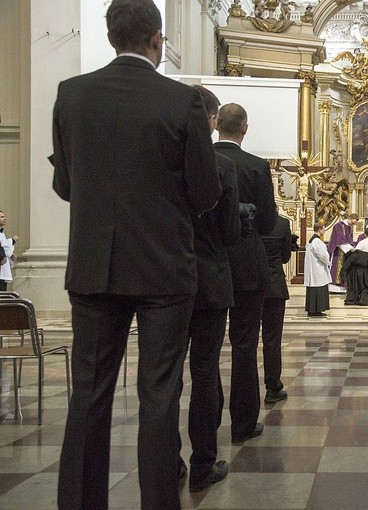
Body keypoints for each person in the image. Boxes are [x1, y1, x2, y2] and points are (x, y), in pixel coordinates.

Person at [51, 1, 221, 508]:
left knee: (88, 394)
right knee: (159, 398)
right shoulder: (181, 101)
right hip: (164, 267)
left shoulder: (71, 94)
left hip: (94, 264)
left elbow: (65, 185)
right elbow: (206, 191)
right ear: (157, 39)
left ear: (109, 38)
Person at [179, 85, 241, 493]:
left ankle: (167, 462)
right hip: (211, 279)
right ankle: (203, 463)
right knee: (204, 372)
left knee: (163, 376)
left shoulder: (165, 159)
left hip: (167, 278)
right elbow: (231, 233)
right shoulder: (221, 167)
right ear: (213, 120)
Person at [215, 102, 278, 445]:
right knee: (244, 345)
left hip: (208, 263)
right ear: (245, 128)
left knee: (204, 351)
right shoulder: (256, 166)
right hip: (247, 265)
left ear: (216, 126)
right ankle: (243, 424)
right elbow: (268, 223)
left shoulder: (202, 159)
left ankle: (207, 427)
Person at [260, 215, 293, 404]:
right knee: (272, 340)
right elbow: (286, 257)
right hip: (274, 287)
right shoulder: (281, 224)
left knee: (244, 343)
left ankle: (244, 395)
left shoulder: (246, 220)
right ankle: (273, 386)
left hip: (248, 285)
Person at [304, 223, 331, 317]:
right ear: (319, 229)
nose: (324, 231)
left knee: (313, 287)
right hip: (317, 268)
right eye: (324, 229)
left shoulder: (311, 241)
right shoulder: (317, 242)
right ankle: (316, 310)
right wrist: (328, 262)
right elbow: (322, 255)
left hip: (314, 268)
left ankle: (312, 310)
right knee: (319, 288)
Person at [328, 213, 358, 292]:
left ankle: (343, 286)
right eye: (352, 223)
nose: (352, 225)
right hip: (338, 251)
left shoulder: (350, 227)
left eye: (354, 224)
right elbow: (339, 239)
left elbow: (350, 239)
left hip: (346, 251)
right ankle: (334, 287)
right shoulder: (338, 226)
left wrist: (351, 247)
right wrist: (350, 248)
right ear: (349, 218)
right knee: (336, 267)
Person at [0, 211, 18, 291]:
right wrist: (12, 240)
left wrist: (11, 255)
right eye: (1, 217)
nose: (4, 218)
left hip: (3, 270)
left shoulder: (2, 234)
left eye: (4, 216)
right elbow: (2, 246)